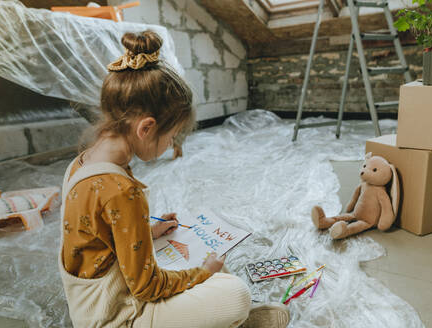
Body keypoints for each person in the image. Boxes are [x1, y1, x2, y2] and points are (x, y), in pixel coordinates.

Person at [58, 30, 290, 328]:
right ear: (146, 128)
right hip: (116, 316)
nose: (171, 145)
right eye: (171, 137)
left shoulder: (82, 164)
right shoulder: (122, 191)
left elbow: (96, 235)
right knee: (234, 293)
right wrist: (203, 273)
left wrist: (146, 231)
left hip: (91, 303)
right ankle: (237, 319)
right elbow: (147, 287)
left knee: (193, 257)